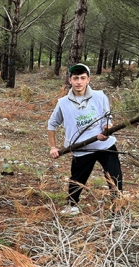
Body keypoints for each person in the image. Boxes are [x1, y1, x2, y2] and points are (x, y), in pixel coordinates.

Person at [48, 63, 123, 215]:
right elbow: (52, 124)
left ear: (89, 79)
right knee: (77, 179)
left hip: (105, 146)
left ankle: (118, 207)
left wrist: (106, 131)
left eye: (83, 78)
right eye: (75, 78)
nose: (79, 82)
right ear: (70, 80)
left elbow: (107, 120)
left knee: (115, 176)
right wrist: (53, 147)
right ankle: (72, 205)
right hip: (81, 148)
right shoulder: (63, 103)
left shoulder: (100, 96)